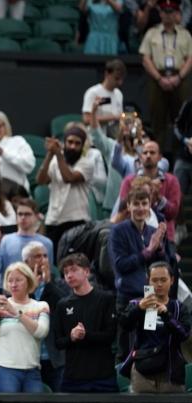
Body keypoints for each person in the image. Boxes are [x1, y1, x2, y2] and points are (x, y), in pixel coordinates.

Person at [109, 189, 175, 361]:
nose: (140, 208)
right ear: (129, 206)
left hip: (150, 295)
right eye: (136, 204)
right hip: (128, 296)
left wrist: (159, 249)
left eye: (144, 203)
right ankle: (125, 384)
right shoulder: (117, 231)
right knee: (126, 346)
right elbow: (120, 265)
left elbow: (165, 264)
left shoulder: (153, 231)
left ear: (149, 206)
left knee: (149, 342)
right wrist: (149, 250)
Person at [119, 261, 191, 393]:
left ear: (172, 280)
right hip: (142, 371)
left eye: (163, 280)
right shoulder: (136, 303)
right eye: (154, 280)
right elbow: (124, 325)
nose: (159, 284)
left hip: (171, 373)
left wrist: (166, 316)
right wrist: (139, 308)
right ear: (148, 281)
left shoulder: (179, 307)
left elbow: (184, 335)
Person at [54, 253, 118, 393]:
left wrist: (85, 335)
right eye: (65, 272)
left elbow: (110, 335)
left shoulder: (106, 299)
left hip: (103, 376)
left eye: (74, 270)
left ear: (87, 271)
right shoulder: (62, 305)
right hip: (73, 377)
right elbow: (58, 342)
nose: (69, 275)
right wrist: (71, 337)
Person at [0, 262, 50, 393]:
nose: (13, 284)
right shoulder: (0, 307)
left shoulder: (41, 306)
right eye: (10, 280)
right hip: (3, 367)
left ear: (29, 281)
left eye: (18, 280)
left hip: (32, 369)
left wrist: (15, 312)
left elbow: (41, 332)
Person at [139, 0, 192, 154]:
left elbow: (190, 58)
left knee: (181, 119)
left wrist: (179, 77)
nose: (167, 15)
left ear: (176, 14)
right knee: (158, 120)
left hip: (179, 78)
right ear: (160, 13)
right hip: (158, 77)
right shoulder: (152, 33)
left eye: (171, 12)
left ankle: (179, 157)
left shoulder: (185, 34)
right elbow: (145, 58)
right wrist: (159, 78)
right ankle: (157, 156)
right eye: (164, 12)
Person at [35, 127, 95, 256]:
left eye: (77, 143)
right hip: (54, 220)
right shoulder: (55, 161)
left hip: (76, 221)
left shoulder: (87, 164)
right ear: (65, 143)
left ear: (83, 146)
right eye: (70, 142)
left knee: (72, 262)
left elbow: (69, 178)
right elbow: (40, 180)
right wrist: (50, 155)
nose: (73, 146)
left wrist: (58, 154)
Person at [22, 241, 69, 392]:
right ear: (26, 262)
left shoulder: (59, 284)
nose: (42, 260)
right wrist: (32, 287)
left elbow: (66, 307)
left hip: (53, 357)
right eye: (37, 256)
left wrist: (49, 284)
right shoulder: (19, 285)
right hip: (28, 358)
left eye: (45, 256)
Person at [117, 141, 181, 242]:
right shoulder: (129, 181)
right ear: (140, 156)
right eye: (145, 152)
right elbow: (122, 209)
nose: (148, 155)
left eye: (152, 152)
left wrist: (158, 197)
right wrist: (139, 190)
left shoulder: (171, 181)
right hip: (133, 236)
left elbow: (174, 212)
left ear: (160, 157)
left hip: (165, 238)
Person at [0, 198, 53, 284]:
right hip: (10, 291)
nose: (23, 217)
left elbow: (48, 273)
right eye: (20, 214)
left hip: (37, 292)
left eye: (27, 214)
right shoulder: (6, 240)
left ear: (36, 216)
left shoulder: (46, 243)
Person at [82, 59, 126, 131]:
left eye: (121, 79)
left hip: (114, 137)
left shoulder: (119, 94)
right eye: (116, 78)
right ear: (107, 74)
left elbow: (120, 118)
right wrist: (113, 118)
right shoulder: (93, 92)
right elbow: (86, 119)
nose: (120, 83)